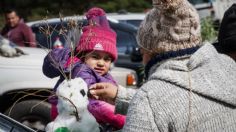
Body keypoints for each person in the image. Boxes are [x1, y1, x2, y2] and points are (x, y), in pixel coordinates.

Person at [90, 0, 236, 131]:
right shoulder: (229, 70)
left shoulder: (148, 100)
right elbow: (174, 101)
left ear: (150, 52)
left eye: (141, 51)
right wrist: (119, 95)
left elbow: (159, 103)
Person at [42, 7, 125, 130]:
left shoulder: (103, 74)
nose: (101, 63)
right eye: (95, 57)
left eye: (107, 59)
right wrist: (123, 119)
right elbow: (94, 104)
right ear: (83, 55)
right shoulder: (81, 71)